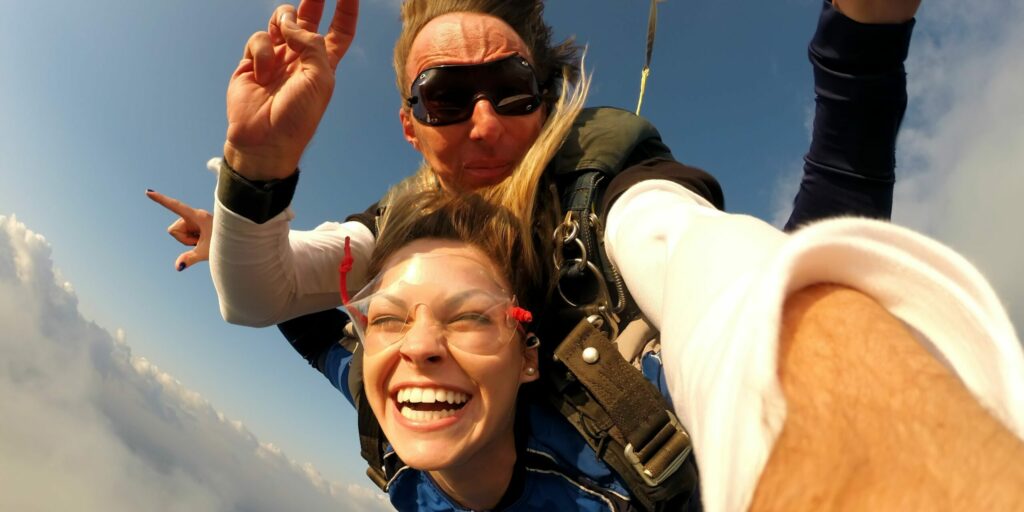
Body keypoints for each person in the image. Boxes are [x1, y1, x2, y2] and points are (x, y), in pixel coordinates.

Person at [152, 0, 1024, 511]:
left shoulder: (608, 195)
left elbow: (728, 284)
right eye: (447, 98)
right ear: (408, 125)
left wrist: (863, 50)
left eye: (512, 90)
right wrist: (254, 181)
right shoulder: (402, 233)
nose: (487, 124)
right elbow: (274, 300)